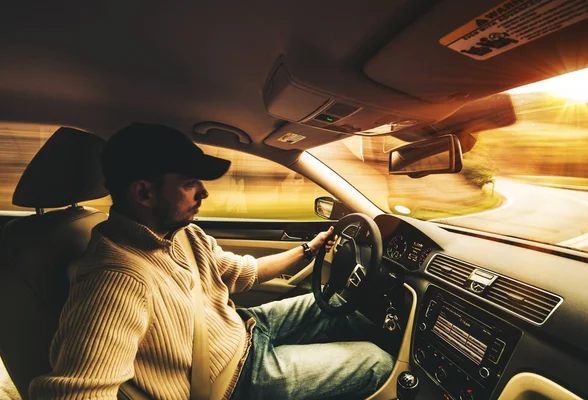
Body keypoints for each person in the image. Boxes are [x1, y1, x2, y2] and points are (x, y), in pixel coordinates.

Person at [29, 123, 393, 399]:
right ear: (143, 192)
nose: (204, 192)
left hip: (245, 328)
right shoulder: (116, 280)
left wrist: (308, 250)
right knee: (377, 362)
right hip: (231, 379)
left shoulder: (181, 234)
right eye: (190, 183)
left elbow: (240, 272)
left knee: (337, 303)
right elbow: (76, 393)